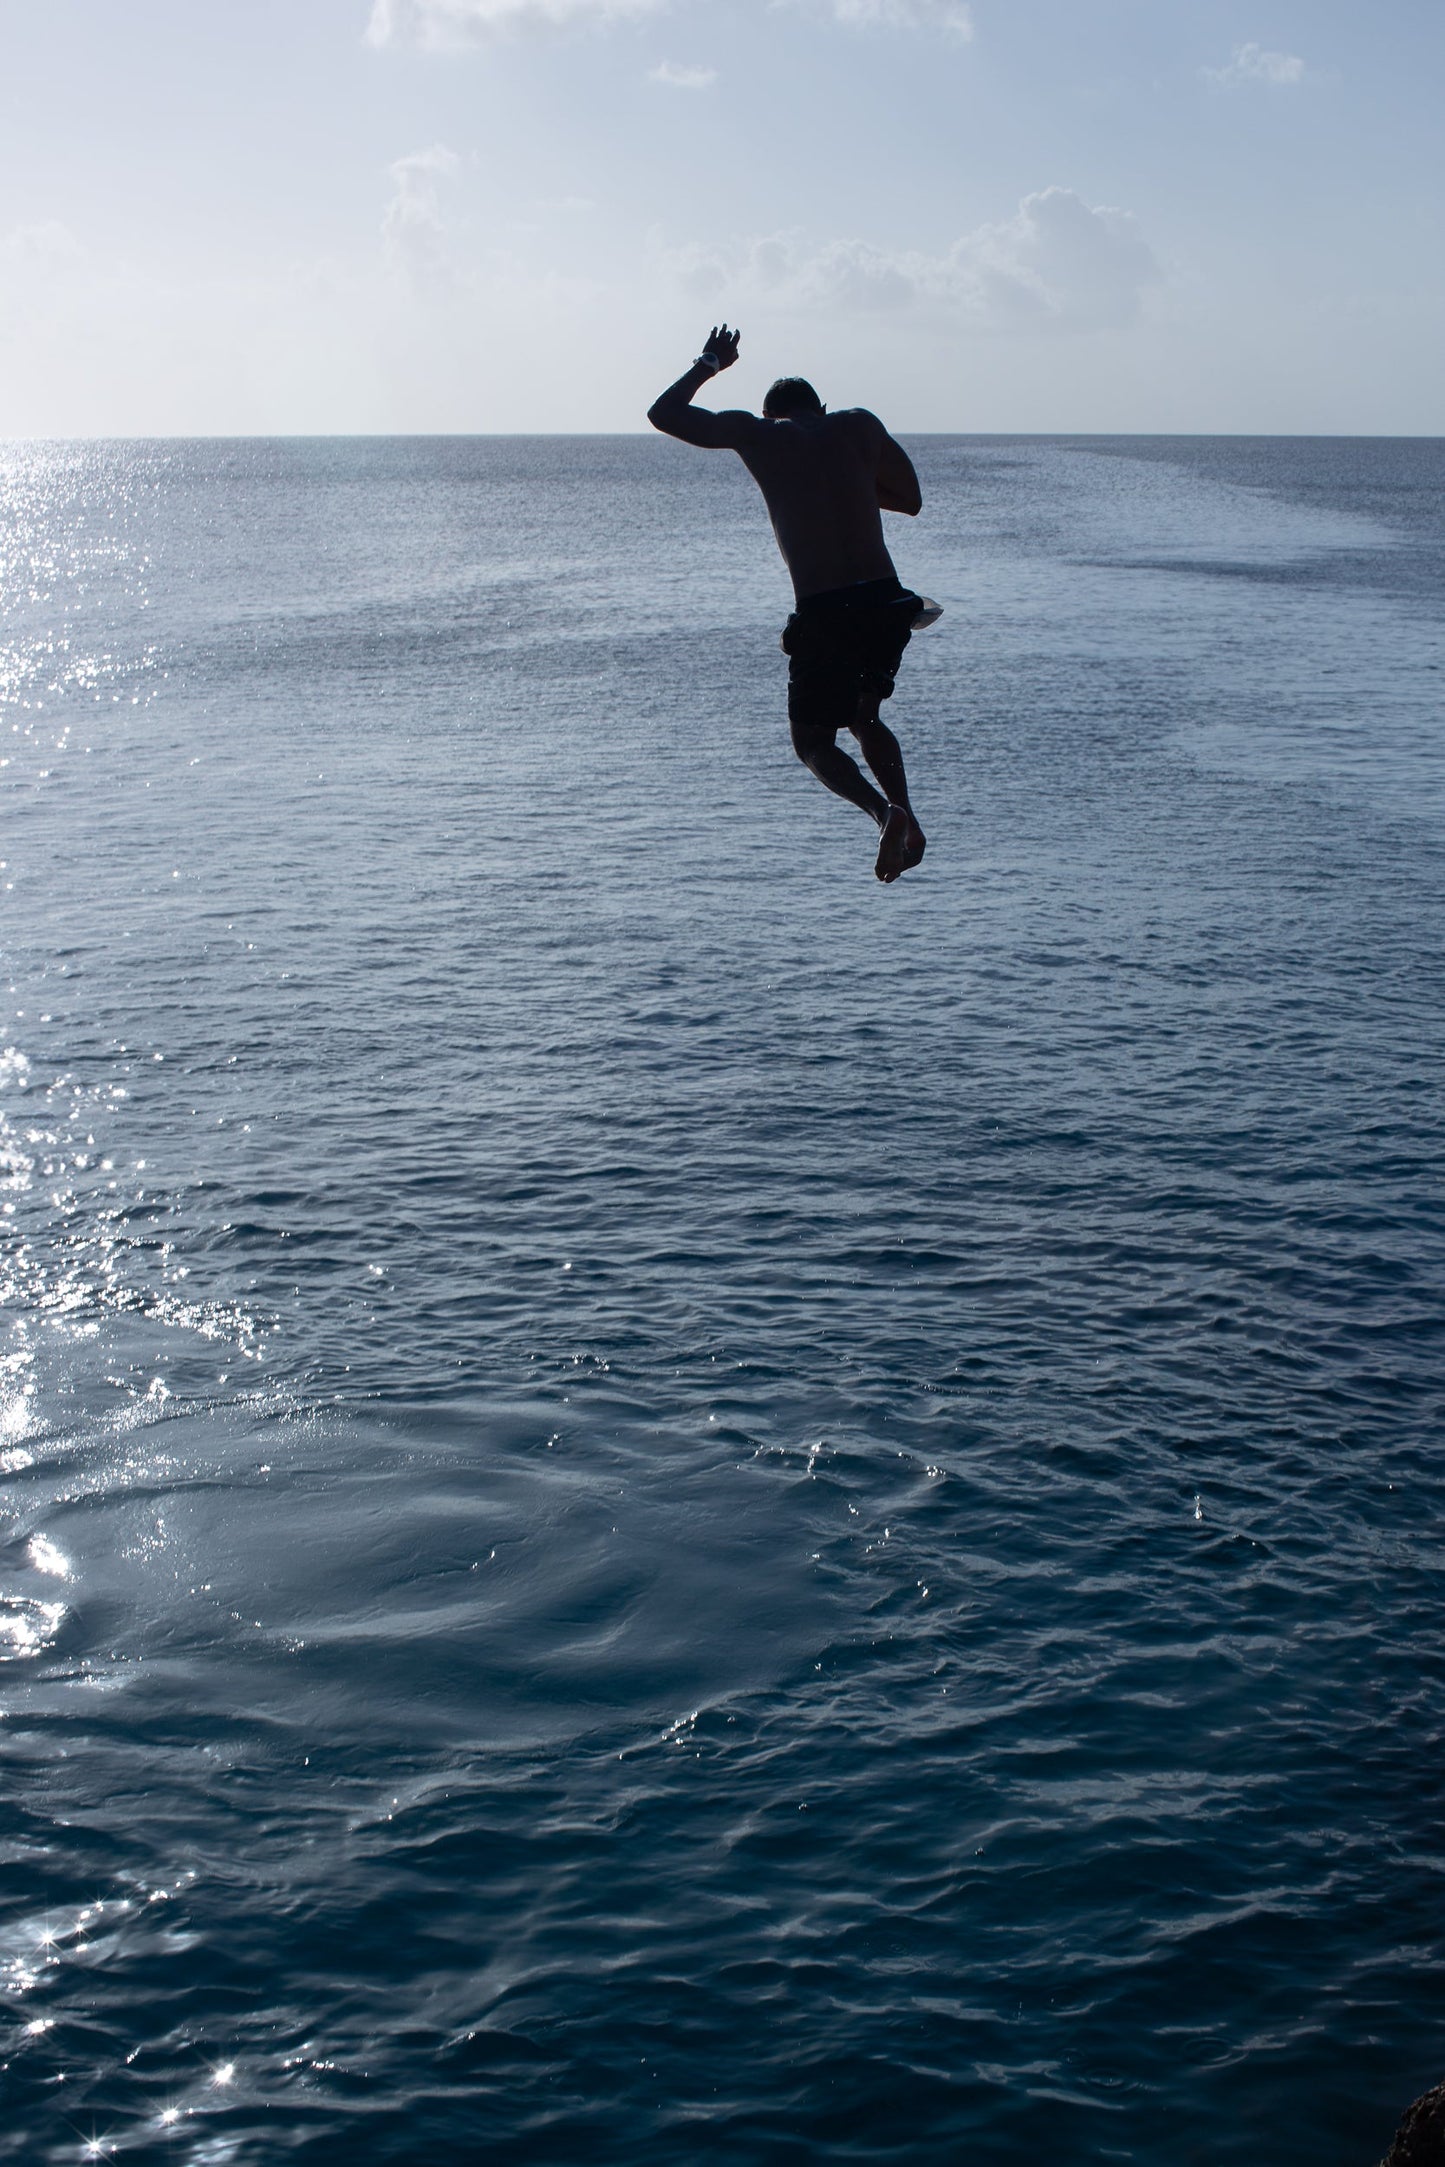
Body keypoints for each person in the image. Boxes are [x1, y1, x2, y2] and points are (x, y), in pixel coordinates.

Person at [647, 324, 934, 884]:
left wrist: (711, 362)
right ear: (819, 407)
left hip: (826, 609)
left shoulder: (758, 435)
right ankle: (912, 817)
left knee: (812, 742)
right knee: (866, 716)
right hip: (886, 599)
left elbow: (664, 413)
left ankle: (885, 813)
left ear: (770, 413)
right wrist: (847, 482)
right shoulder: (858, 425)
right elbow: (911, 500)